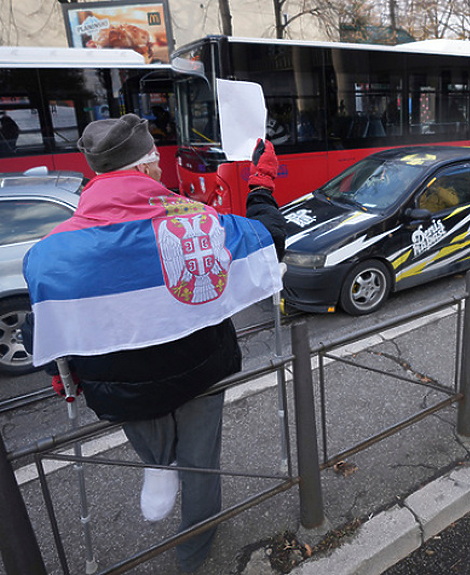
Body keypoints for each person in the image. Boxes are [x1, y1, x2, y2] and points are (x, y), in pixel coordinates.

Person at [23, 114, 288, 572]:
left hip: (119, 389)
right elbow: (268, 241)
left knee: (147, 430)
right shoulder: (199, 223)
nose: (163, 171)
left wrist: (56, 372)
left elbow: (49, 324)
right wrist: (260, 184)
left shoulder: (47, 253)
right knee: (202, 463)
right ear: (144, 166)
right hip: (202, 368)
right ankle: (194, 553)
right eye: (157, 162)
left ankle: (157, 468)